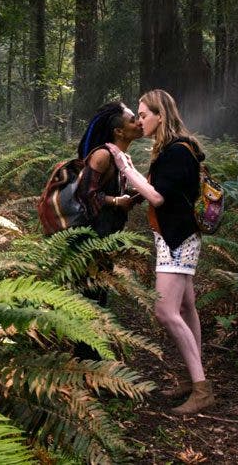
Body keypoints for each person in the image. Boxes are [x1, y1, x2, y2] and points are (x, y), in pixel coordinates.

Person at [111, 89, 215, 415]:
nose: (139, 121)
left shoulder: (177, 151)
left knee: (165, 311)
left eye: (144, 115)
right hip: (175, 236)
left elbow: (158, 197)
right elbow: (162, 191)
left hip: (178, 239)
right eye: (138, 116)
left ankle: (201, 388)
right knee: (185, 308)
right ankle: (192, 379)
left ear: (160, 114)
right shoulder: (172, 149)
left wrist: (125, 167)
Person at [70, 102, 143, 359]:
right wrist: (115, 201)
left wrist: (133, 196)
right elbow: (85, 195)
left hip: (105, 239)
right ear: (119, 131)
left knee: (98, 296)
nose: (139, 123)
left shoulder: (122, 157)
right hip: (89, 240)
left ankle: (92, 357)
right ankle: (85, 360)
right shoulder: (102, 156)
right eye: (133, 120)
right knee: (90, 297)